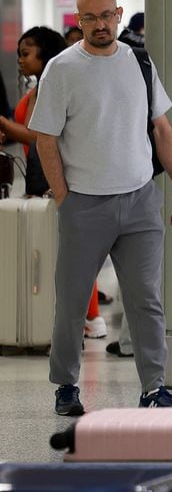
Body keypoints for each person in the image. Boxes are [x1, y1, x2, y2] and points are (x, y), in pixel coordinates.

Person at [29, 0, 172, 415]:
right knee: (72, 300)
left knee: (146, 299)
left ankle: (154, 389)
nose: (101, 25)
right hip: (84, 203)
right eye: (90, 18)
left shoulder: (139, 61)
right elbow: (44, 138)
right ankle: (66, 384)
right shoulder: (63, 69)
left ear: (119, 13)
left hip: (141, 199)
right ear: (77, 20)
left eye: (107, 15)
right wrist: (65, 197)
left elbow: (162, 128)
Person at [0, 27, 108, 340]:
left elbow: (41, 138)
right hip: (38, 179)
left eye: (26, 53)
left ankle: (91, 316)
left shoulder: (54, 86)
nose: (20, 60)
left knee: (74, 251)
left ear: (44, 55)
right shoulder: (38, 88)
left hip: (56, 180)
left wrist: (6, 125)